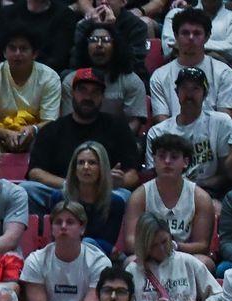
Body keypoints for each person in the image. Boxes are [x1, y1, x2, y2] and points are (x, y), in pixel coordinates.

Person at [23, 67, 142, 214]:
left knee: (124, 197)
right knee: (25, 191)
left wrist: (118, 181)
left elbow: (133, 175)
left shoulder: (118, 127)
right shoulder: (52, 130)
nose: (88, 97)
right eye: (82, 90)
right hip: (61, 192)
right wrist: (74, 186)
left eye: (94, 92)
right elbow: (35, 173)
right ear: (73, 93)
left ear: (102, 97)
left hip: (103, 195)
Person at [20, 200, 111, 301]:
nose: (63, 226)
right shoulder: (36, 260)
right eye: (58, 222)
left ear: (82, 228)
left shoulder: (98, 261)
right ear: (52, 228)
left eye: (70, 222)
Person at [124, 134, 217, 271]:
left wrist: (173, 246)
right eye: (161, 156)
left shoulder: (200, 198)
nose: (167, 161)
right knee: (130, 262)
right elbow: (130, 240)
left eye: (174, 157)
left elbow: (202, 245)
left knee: (205, 263)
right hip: (149, 254)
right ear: (154, 160)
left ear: (185, 162)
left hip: (183, 255)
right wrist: (155, 248)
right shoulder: (140, 195)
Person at [146, 66, 232, 197]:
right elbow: (157, 177)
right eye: (184, 88)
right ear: (176, 92)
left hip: (209, 191)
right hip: (169, 192)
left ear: (205, 93)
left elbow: (225, 175)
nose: (189, 94)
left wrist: (196, 187)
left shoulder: (220, 122)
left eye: (195, 89)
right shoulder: (158, 132)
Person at [0, 28, 62, 153]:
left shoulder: (49, 77)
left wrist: (34, 129)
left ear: (34, 54)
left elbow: (51, 122)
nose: (17, 53)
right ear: (4, 52)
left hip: (37, 137)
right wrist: (7, 134)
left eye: (24, 49)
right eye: (12, 48)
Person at [149, 7, 232, 124]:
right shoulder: (159, 76)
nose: (191, 38)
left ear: (207, 37)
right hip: (173, 140)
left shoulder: (224, 72)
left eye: (197, 33)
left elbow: (224, 121)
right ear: (176, 36)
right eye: (185, 33)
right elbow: (161, 121)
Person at [66, 22, 149, 132]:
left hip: (117, 141)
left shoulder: (132, 81)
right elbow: (67, 121)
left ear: (116, 47)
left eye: (105, 40)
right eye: (93, 40)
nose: (99, 45)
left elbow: (133, 124)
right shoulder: (70, 81)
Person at [0, 0, 78, 73]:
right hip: (3, 78)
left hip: (43, 79)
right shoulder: (7, 13)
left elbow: (58, 60)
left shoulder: (65, 16)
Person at [57, 141, 129, 255]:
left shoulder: (115, 203)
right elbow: (59, 237)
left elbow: (108, 243)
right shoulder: (59, 198)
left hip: (100, 258)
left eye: (92, 163)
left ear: (102, 168)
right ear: (74, 169)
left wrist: (85, 241)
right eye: (81, 162)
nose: (86, 167)